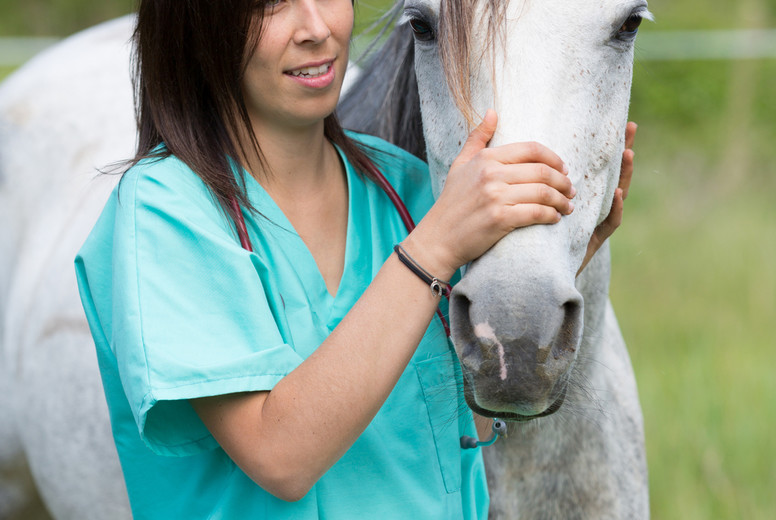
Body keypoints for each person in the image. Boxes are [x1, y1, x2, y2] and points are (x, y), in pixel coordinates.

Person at [75, 0, 636, 518]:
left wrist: (558, 263)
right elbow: (281, 457)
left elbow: (462, 425)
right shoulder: (164, 214)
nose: (317, 28)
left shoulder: (412, 192)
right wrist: (435, 247)